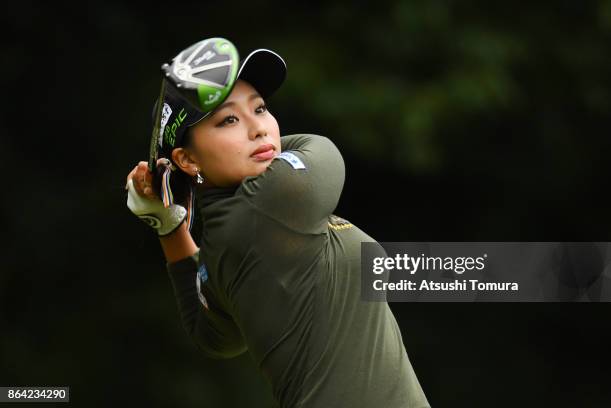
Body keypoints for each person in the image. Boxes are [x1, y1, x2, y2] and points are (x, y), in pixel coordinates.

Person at [125, 44, 430, 408]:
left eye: (260, 108)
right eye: (229, 121)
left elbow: (214, 337)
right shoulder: (274, 200)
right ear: (187, 159)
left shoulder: (222, 240)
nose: (258, 129)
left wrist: (168, 225)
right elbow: (324, 151)